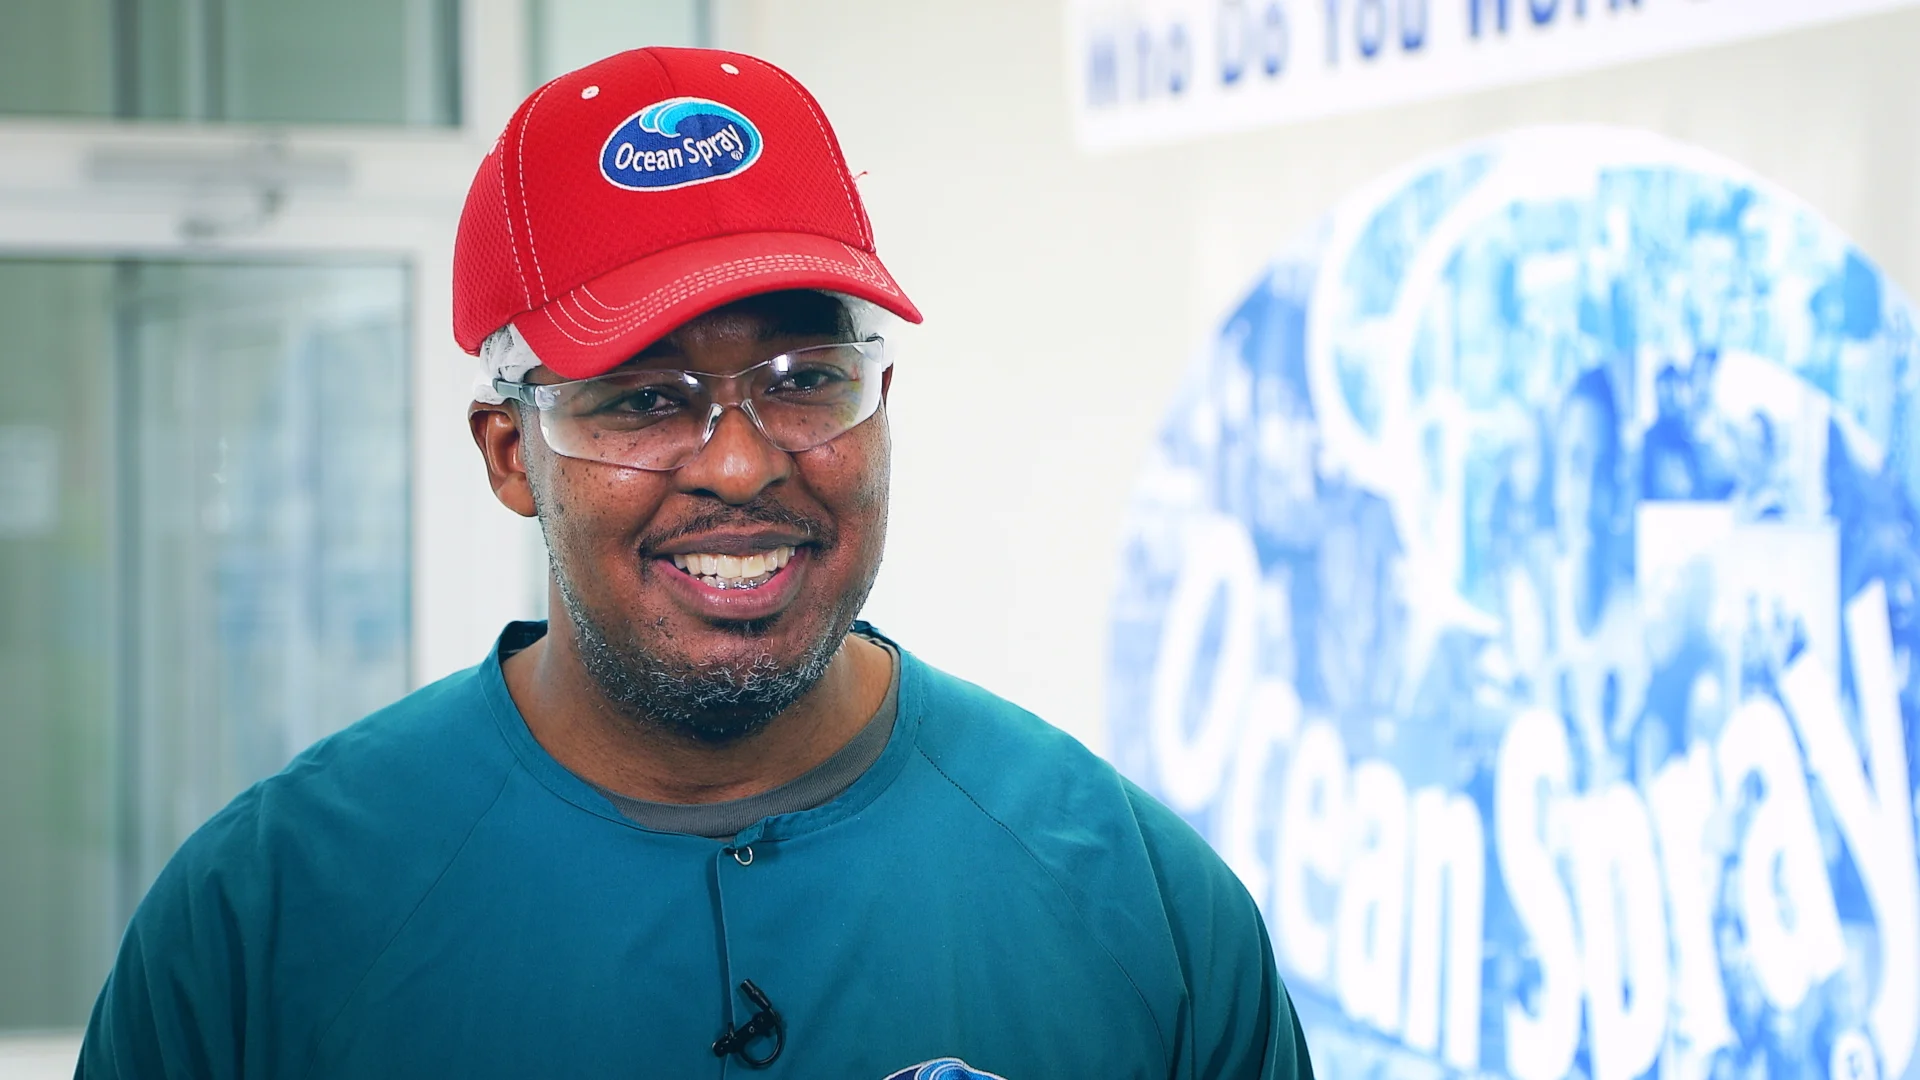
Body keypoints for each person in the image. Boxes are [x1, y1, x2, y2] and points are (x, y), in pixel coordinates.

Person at [76, 47, 1312, 1079]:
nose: (738, 463)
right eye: (642, 397)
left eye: (804, 379)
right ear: (510, 454)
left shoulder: (1139, 907)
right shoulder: (269, 923)